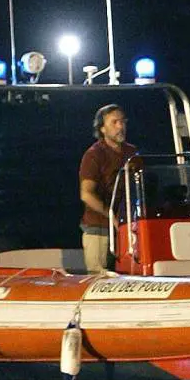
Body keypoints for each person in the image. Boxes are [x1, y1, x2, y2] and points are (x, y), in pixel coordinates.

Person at [79, 104, 137, 272]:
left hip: (129, 226)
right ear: (102, 128)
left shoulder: (131, 152)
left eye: (123, 121)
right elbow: (86, 194)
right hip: (99, 227)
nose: (120, 126)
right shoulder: (94, 154)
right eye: (114, 122)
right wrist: (112, 216)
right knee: (99, 275)